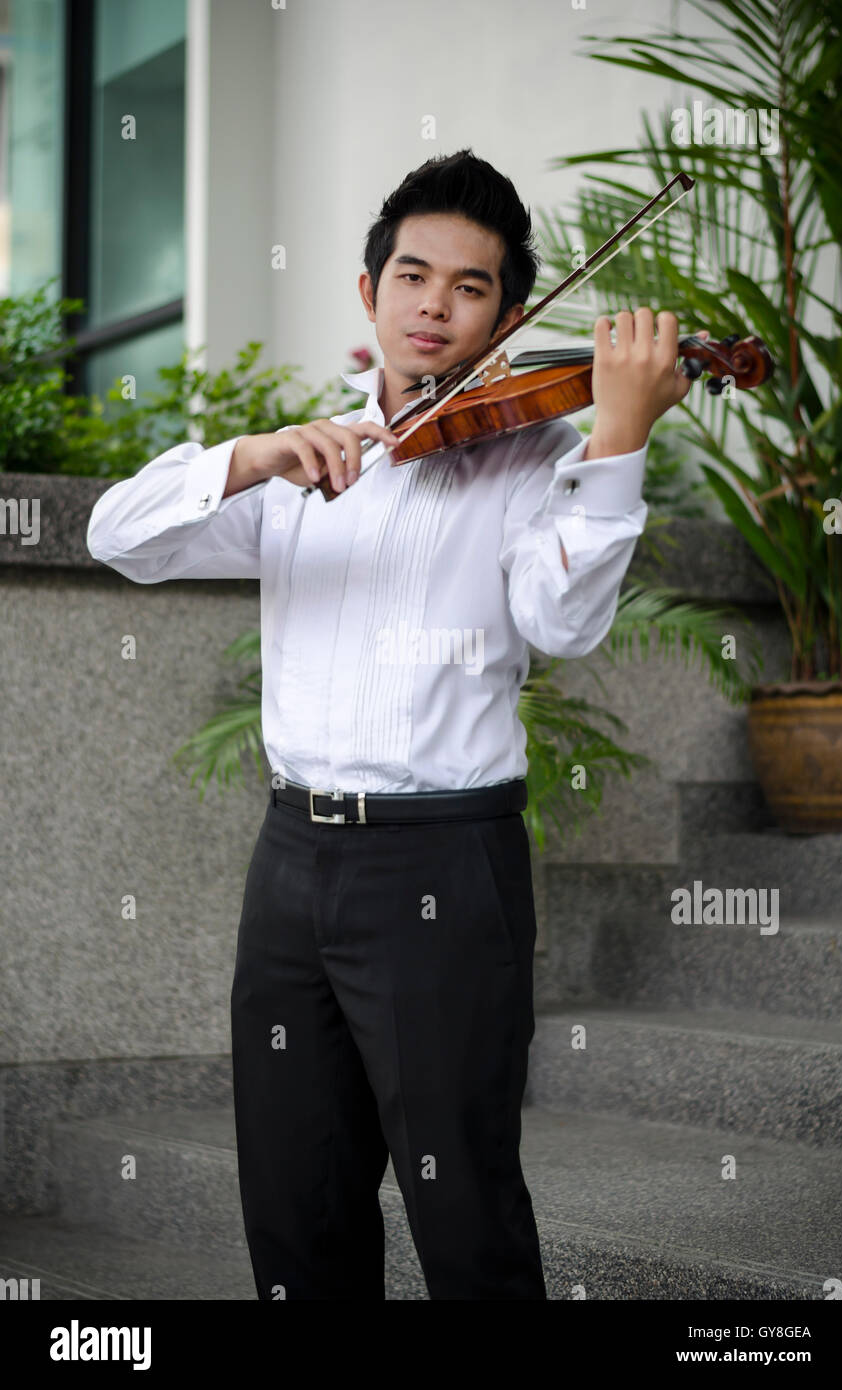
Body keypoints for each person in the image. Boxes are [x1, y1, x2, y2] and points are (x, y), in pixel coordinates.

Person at [86, 148, 699, 1301]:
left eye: (469, 288)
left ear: (506, 319)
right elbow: (118, 536)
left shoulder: (539, 459)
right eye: (413, 275)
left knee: (462, 1204)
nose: (435, 304)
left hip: (444, 864)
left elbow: (562, 623)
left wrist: (620, 439)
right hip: (292, 862)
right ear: (369, 293)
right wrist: (248, 457)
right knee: (294, 1203)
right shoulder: (301, 460)